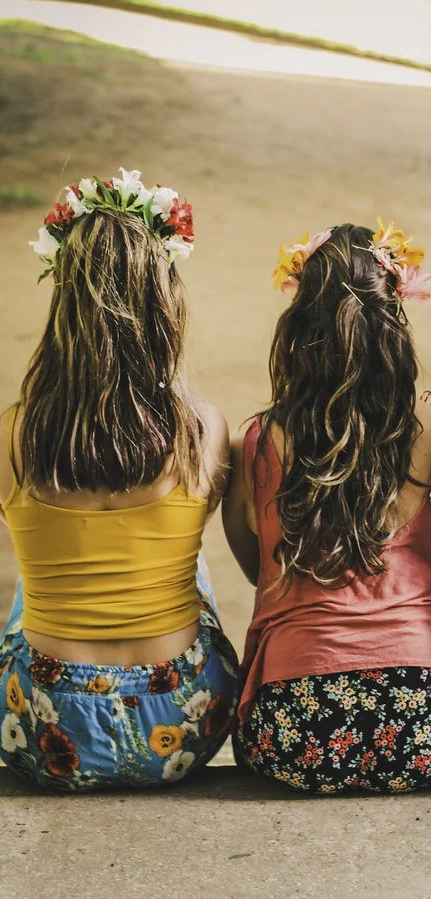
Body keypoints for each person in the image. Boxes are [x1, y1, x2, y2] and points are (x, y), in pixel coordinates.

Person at [0, 171, 239, 791]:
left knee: (34, 579)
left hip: (44, 731)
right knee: (191, 566)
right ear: (166, 302)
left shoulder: (13, 434)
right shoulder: (202, 431)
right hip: (182, 727)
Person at [223, 220, 431, 794]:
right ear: (393, 322)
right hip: (424, 723)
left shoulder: (260, 442)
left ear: (299, 325)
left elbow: (258, 562)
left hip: (292, 728)